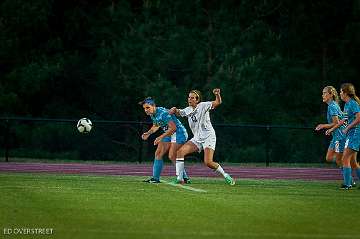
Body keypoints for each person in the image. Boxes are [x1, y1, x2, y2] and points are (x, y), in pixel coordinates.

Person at [169, 88, 235, 185]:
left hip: (208, 136)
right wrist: (174, 109)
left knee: (208, 162)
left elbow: (218, 102)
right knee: (180, 152)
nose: (189, 99)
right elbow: (179, 112)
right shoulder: (187, 110)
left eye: (192, 98)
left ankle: (225, 175)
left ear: (197, 100)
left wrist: (217, 95)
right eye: (189, 97)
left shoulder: (203, 105)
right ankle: (180, 179)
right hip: (197, 138)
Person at [139, 97, 191, 183]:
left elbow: (173, 128)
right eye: (144, 108)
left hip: (179, 133)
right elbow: (156, 125)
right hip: (170, 133)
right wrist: (148, 133)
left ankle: (184, 178)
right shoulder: (153, 114)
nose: (146, 110)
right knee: (158, 153)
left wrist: (160, 137)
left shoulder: (163, 113)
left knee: (172, 155)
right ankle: (155, 179)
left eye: (147, 107)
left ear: (153, 106)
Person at [326, 83, 360, 189]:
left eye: (341, 92)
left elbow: (359, 118)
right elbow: (343, 120)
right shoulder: (346, 104)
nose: (340, 94)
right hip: (350, 134)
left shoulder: (353, 103)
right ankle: (349, 182)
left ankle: (347, 184)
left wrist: (347, 128)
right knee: (353, 162)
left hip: (355, 133)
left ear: (345, 93)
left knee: (344, 158)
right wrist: (331, 129)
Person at [315, 86, 345, 167]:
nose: (322, 95)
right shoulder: (333, 105)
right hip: (336, 136)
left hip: (339, 136)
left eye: (325, 93)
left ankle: (349, 163)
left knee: (338, 160)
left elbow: (336, 123)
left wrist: (323, 125)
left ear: (331, 95)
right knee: (329, 158)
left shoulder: (332, 106)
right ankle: (347, 161)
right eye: (322, 93)